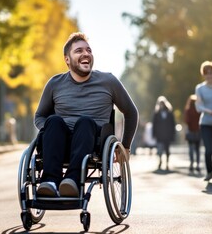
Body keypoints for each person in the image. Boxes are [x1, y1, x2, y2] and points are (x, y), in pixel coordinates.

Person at [34, 32, 139, 197]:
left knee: (84, 122)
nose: (86, 54)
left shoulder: (108, 81)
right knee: (53, 121)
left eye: (88, 50)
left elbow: (131, 113)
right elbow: (39, 116)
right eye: (79, 51)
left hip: (92, 142)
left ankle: (72, 181)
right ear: (67, 59)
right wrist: (46, 128)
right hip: (58, 141)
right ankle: (50, 181)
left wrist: (125, 147)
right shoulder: (55, 84)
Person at [152, 96, 176, 170]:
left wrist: (173, 134)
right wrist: (154, 134)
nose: (162, 105)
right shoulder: (156, 113)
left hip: (168, 135)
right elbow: (154, 124)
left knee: (167, 150)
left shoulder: (169, 113)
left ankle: (167, 163)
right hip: (159, 135)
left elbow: (173, 124)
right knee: (159, 150)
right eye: (160, 103)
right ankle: (160, 161)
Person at [184, 94, 201, 173]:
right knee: (197, 149)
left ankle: (192, 163)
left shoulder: (188, 110)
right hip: (198, 131)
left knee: (191, 149)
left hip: (191, 131)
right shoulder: (199, 110)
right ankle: (197, 164)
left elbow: (186, 121)